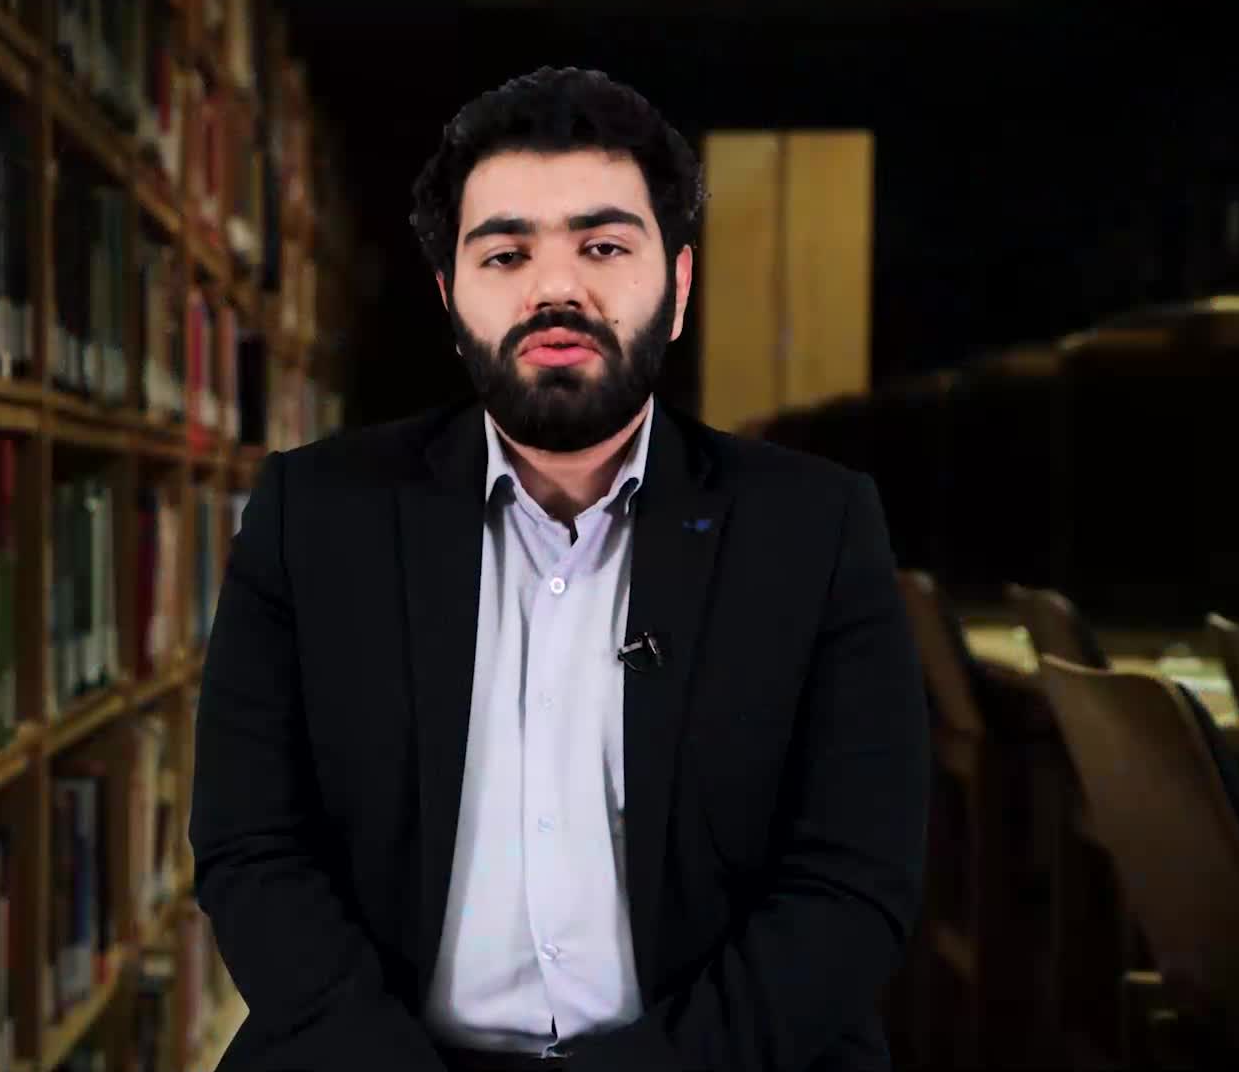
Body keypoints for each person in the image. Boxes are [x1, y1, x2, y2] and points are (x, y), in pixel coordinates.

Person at [189, 66, 929, 1072]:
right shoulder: (311, 517)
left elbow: (852, 883)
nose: (555, 290)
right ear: (449, 297)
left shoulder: (816, 529)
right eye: (506, 254)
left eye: (603, 246)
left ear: (678, 287)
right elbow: (250, 844)